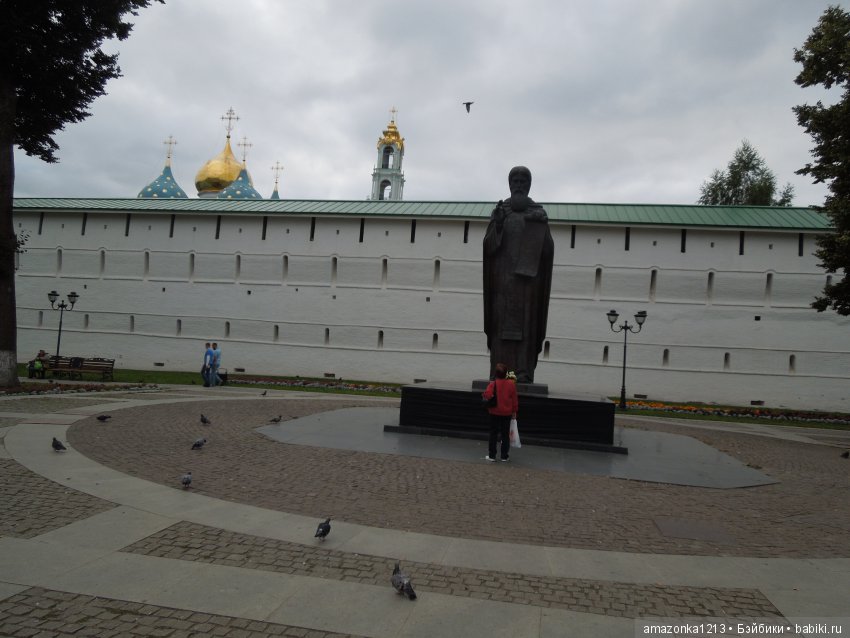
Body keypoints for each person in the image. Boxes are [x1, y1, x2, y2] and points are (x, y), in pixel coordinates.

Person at [483, 166, 554, 383]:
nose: (519, 184)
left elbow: (548, 251)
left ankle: (522, 373)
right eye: (515, 180)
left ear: (529, 184)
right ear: (510, 184)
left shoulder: (537, 214)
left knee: (525, 329)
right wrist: (499, 224)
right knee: (501, 330)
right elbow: (488, 247)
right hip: (503, 284)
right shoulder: (501, 212)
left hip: (527, 287)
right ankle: (501, 373)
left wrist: (540, 230)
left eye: (524, 180)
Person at [481, 363, 519, 462]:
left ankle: (492, 455)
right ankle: (504, 456)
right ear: (506, 373)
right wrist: (514, 411)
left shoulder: (492, 384)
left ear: (496, 374)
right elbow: (514, 400)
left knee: (493, 434)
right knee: (505, 434)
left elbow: (488, 396)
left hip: (494, 412)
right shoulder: (511, 384)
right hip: (507, 413)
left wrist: (484, 393)